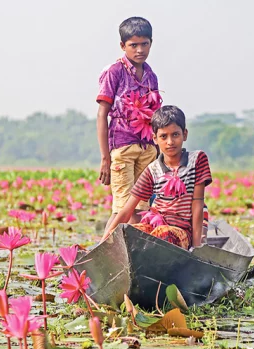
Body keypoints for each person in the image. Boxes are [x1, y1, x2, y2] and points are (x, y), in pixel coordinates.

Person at [102, 106, 212, 249]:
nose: (170, 142)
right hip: (155, 227)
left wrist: (197, 248)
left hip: (181, 232)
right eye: (163, 136)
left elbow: (198, 204)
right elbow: (126, 210)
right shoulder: (152, 169)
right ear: (155, 139)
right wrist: (103, 243)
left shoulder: (197, 160)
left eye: (175, 135)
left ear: (185, 134)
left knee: (164, 235)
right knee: (127, 234)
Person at [96, 16, 161, 233]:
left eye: (145, 44)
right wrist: (105, 158)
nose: (140, 50)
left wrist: (159, 150)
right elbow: (102, 114)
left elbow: (155, 116)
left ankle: (132, 256)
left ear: (151, 43)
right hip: (122, 147)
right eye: (133, 45)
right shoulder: (114, 72)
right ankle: (104, 249)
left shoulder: (151, 76)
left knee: (141, 209)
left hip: (147, 147)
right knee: (122, 207)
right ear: (123, 46)